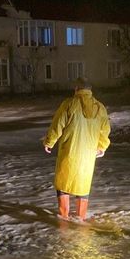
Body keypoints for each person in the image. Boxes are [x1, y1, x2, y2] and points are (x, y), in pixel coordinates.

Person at [43, 77, 111, 221]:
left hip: (69, 152)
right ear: (90, 90)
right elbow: (104, 130)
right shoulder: (100, 107)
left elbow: (57, 125)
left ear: (76, 89)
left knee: (63, 185)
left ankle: (64, 217)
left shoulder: (69, 104)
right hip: (88, 156)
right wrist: (102, 146)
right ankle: (80, 219)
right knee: (83, 186)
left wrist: (49, 142)